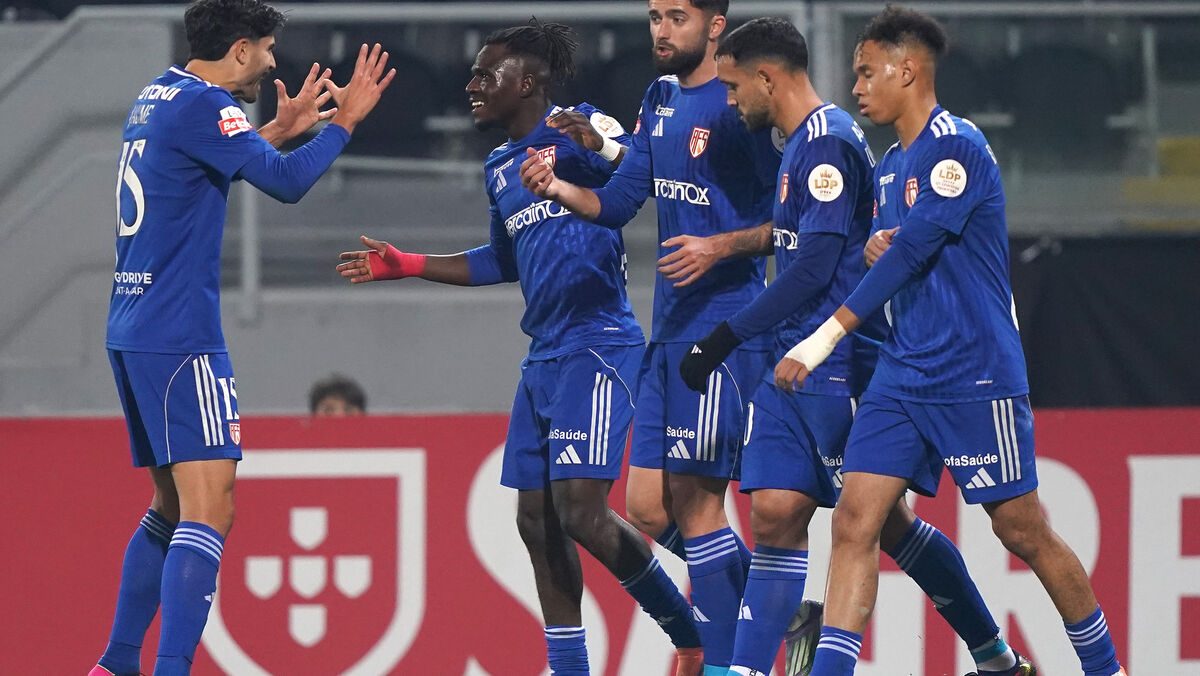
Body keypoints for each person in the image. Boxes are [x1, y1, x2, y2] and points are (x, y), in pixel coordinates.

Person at [335, 19, 704, 676]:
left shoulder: (578, 127)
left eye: (486, 75)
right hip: (544, 358)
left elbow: (641, 170)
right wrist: (411, 264)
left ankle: (692, 631)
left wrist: (602, 145)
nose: (471, 85)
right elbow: (502, 260)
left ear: (528, 82)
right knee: (536, 521)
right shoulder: (501, 166)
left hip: (599, 345)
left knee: (582, 512)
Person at [678, 17, 1036, 676]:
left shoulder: (830, 145)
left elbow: (815, 269)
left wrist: (725, 338)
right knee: (774, 513)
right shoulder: (798, 146)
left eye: (732, 88)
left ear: (766, 78)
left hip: (840, 366)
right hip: (791, 363)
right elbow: (796, 242)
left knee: (881, 524)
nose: (728, 102)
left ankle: (993, 654)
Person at [775, 6, 1126, 676]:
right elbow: (898, 252)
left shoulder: (956, 146)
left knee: (1021, 529)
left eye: (867, 72)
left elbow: (913, 254)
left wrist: (823, 339)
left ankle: (1106, 669)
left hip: (974, 373)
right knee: (854, 521)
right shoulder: (889, 165)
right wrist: (882, 245)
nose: (857, 87)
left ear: (907, 70)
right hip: (903, 374)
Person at [93, 0, 394, 673]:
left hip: (133, 323)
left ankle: (116, 663)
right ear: (239, 50)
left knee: (171, 505)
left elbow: (207, 161)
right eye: (265, 49)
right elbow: (286, 184)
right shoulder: (207, 105)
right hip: (180, 333)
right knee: (211, 509)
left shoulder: (158, 95)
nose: (271, 62)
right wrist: (345, 121)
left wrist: (277, 131)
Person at [519, 2, 781, 670]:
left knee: (695, 504)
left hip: (723, 329)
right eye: (655, 15)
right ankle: (771, 612)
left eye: (677, 17)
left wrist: (719, 246)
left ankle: (728, 660)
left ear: (715, 26)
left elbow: (793, 220)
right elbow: (619, 201)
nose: (662, 29)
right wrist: (557, 188)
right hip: (668, 330)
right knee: (646, 508)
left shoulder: (739, 105)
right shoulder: (659, 97)